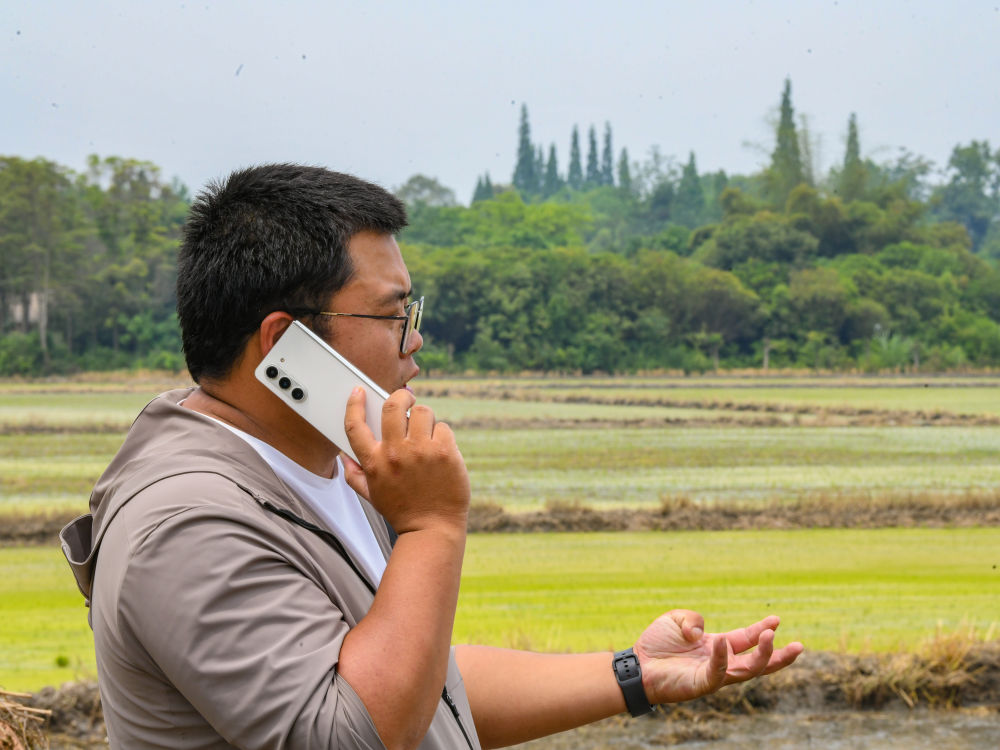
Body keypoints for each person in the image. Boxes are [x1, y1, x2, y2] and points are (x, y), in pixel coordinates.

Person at [61, 164, 803, 749]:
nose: (415, 339)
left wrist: (636, 674)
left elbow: (422, 688)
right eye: (393, 314)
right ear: (286, 343)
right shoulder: (187, 523)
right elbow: (353, 731)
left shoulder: (329, 466)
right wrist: (433, 528)